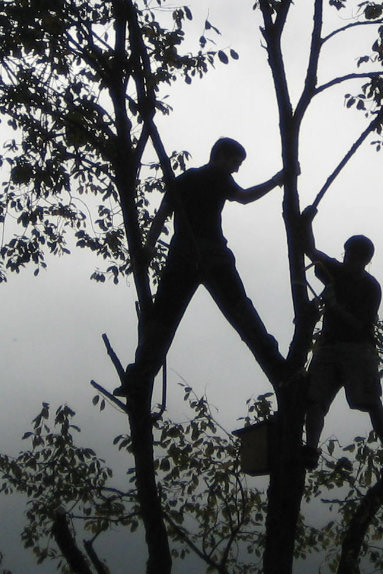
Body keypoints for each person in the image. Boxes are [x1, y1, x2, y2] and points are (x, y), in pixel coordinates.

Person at [122, 137, 286, 390]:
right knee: (241, 313)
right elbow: (244, 197)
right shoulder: (214, 177)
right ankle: (277, 367)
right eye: (235, 162)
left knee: (163, 321)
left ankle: (139, 376)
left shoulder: (187, 179)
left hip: (186, 256)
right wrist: (276, 180)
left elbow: (162, 215)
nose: (236, 169)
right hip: (207, 256)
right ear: (220, 156)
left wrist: (149, 248)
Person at [301, 207, 383, 466]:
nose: (349, 259)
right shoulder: (336, 271)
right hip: (329, 347)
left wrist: (336, 307)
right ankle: (310, 448)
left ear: (365, 259)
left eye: (355, 256)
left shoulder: (370, 287)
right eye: (348, 253)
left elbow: (360, 326)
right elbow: (310, 250)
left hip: (357, 349)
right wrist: (307, 221)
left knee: (370, 401)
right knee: (315, 400)